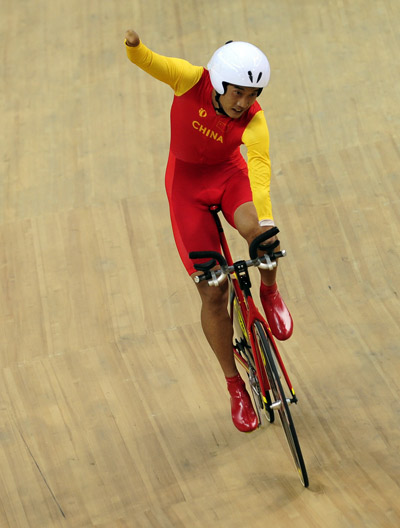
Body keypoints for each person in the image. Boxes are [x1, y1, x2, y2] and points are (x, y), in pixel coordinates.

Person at [124, 29, 293, 433]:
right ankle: (235, 386)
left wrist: (264, 222)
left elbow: (259, 170)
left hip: (228, 178)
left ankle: (269, 292)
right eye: (238, 92)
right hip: (187, 190)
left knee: (263, 237)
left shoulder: (255, 119)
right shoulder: (190, 79)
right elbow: (151, 62)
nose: (245, 103)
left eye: (254, 94)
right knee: (213, 290)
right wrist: (136, 49)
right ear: (218, 81)